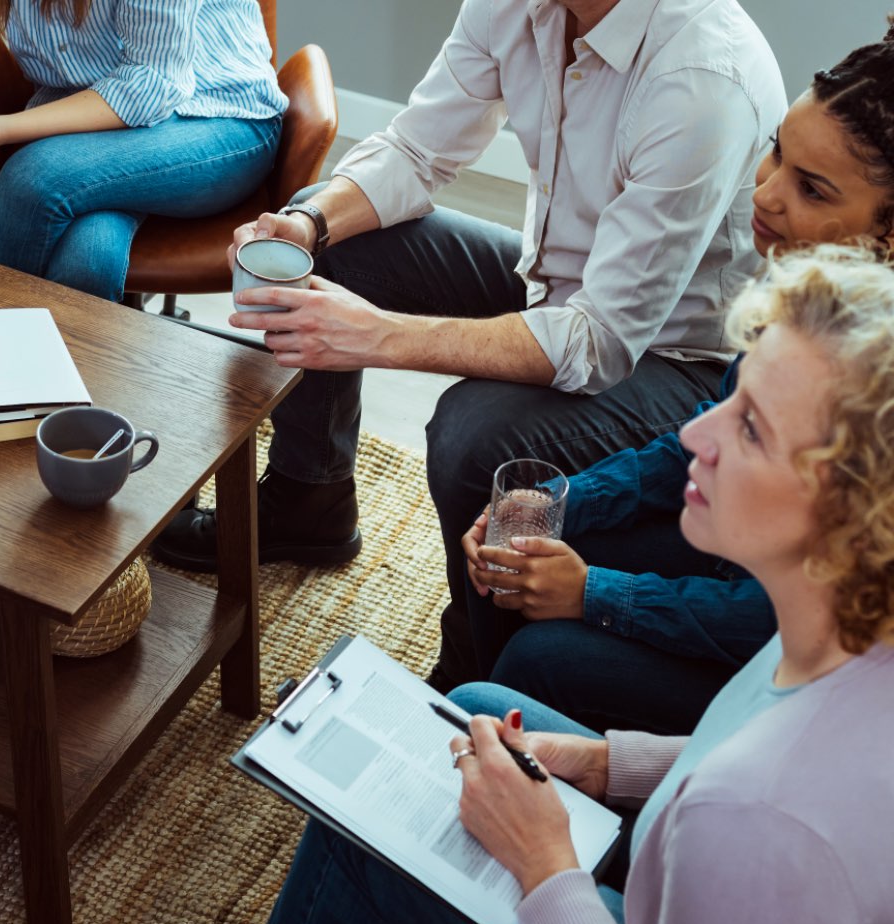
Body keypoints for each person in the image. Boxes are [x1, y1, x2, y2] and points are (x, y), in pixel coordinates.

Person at [257, 244, 894, 924]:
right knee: (475, 711)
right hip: (693, 851)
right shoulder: (843, 629)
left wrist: (546, 864)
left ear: (860, 515)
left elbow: (751, 803)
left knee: (362, 835)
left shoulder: (754, 823)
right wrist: (606, 765)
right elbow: (738, 743)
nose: (694, 432)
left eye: (750, 428)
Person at [150, 0, 787, 677]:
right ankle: (309, 502)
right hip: (558, 285)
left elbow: (600, 340)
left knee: (474, 438)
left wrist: (378, 336)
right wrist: (306, 223)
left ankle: (470, 672)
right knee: (334, 246)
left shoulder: (701, 78)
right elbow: (418, 149)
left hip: (673, 358)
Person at [454, 26, 894, 735]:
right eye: (778, 151)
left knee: (545, 654)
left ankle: (553, 774)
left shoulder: (872, 389)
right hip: (745, 566)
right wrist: (559, 505)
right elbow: (685, 449)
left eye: (811, 189)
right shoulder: (806, 299)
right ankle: (472, 703)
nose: (767, 194)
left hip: (793, 673)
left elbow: (781, 621)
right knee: (523, 544)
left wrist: (597, 595)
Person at [0, 0, 287, 303]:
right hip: (89, 106)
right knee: (87, 261)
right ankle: (53, 400)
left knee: (33, 177)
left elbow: (149, 85)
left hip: (218, 116)